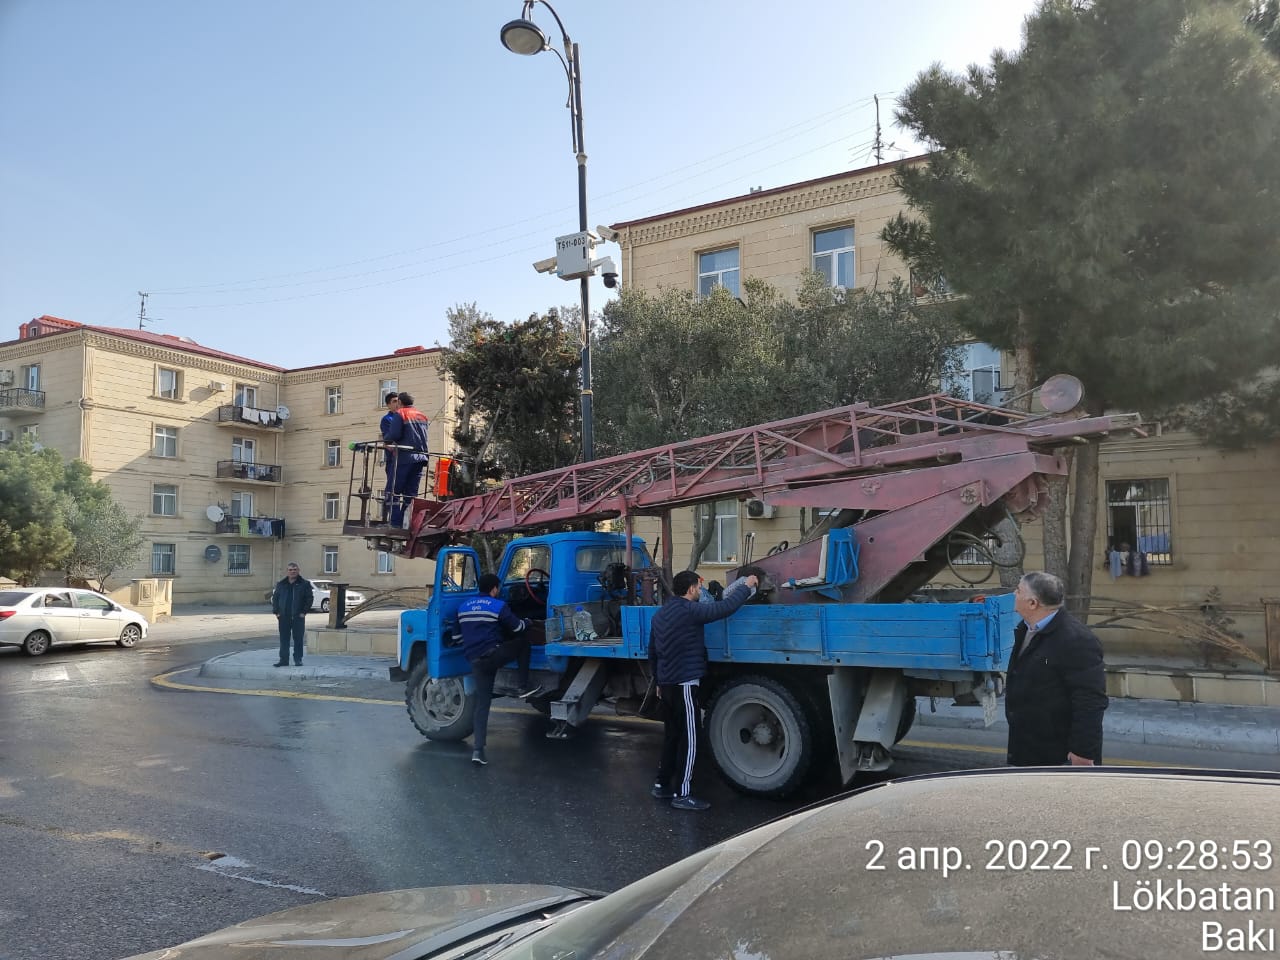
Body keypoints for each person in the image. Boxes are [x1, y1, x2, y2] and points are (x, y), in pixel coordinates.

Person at [648, 570, 759, 811]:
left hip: (667, 684)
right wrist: (747, 586)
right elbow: (725, 608)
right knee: (690, 739)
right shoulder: (690, 610)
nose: (700, 591)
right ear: (690, 589)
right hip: (685, 684)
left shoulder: (660, 614)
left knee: (672, 736)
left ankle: (662, 785)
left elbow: (653, 651)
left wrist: (658, 681)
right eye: (698, 588)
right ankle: (683, 794)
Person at [1005, 571, 1108, 766]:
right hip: (1028, 747)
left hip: (1058, 757)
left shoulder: (1077, 640)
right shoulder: (1026, 629)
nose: (1014, 594)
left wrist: (1083, 752)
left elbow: (1090, 700)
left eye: (1018, 591)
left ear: (1033, 603)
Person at [458, 573, 544, 766]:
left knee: (482, 705)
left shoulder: (463, 607)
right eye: (498, 588)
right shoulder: (498, 605)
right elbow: (518, 628)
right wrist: (529, 622)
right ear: (495, 589)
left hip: (476, 662)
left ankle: (478, 751)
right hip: (494, 656)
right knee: (523, 644)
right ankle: (522, 686)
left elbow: (457, 637)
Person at [382, 391, 430, 527]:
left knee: (392, 491)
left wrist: (386, 441)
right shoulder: (422, 415)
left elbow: (394, 434)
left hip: (404, 458)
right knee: (410, 494)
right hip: (421, 458)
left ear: (400, 402)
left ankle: (395, 523)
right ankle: (406, 522)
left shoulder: (401, 413)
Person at [271, 562, 314, 667]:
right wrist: (277, 612)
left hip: (298, 617)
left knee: (298, 639)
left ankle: (298, 659)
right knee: (284, 639)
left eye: (295, 569)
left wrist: (304, 612)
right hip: (284, 617)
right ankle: (284, 660)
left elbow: (309, 599)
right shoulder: (281, 584)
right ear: (287, 571)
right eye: (290, 570)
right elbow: (275, 598)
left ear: (298, 571)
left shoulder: (304, 584)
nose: (292, 571)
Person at [377, 390, 401, 522]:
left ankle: (403, 519)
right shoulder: (387, 419)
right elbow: (389, 439)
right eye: (394, 401)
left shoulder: (402, 417)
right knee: (392, 489)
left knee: (405, 491)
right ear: (388, 405)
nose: (397, 404)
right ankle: (393, 520)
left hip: (404, 459)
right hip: (393, 460)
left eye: (398, 401)